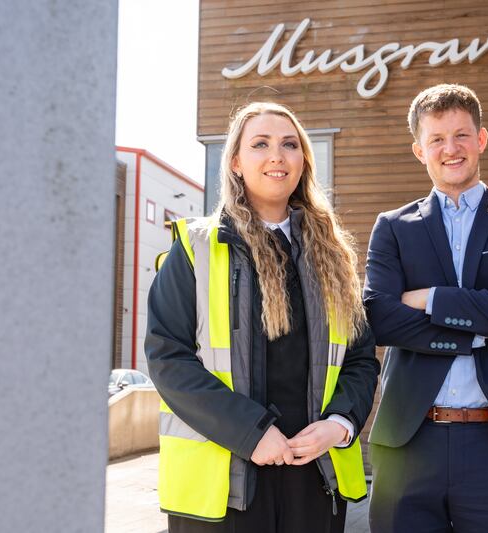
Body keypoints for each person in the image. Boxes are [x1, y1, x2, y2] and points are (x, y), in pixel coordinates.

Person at [145, 101, 379, 533]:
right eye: (260, 144)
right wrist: (252, 433)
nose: (277, 155)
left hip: (313, 477)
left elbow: (361, 360)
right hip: (224, 488)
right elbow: (167, 359)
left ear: (303, 160)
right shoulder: (195, 248)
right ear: (235, 162)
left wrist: (339, 425)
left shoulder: (332, 256)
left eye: (290, 144)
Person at [364, 84, 488, 532]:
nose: (450, 149)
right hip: (411, 441)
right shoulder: (393, 228)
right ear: (419, 149)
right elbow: (379, 317)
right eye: (436, 139)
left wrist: (431, 300)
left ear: (481, 139)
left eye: (461, 135)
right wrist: (487, 322)